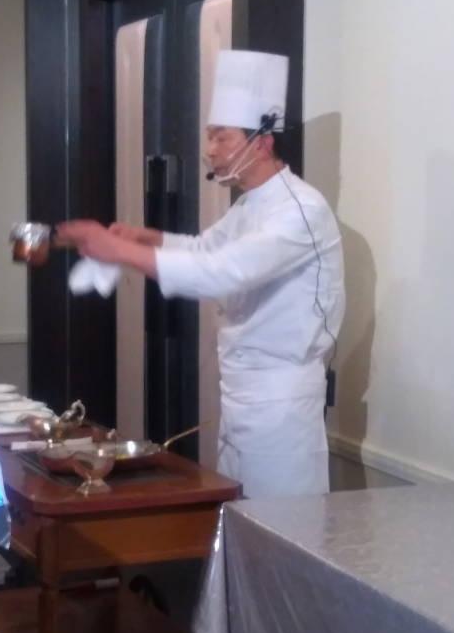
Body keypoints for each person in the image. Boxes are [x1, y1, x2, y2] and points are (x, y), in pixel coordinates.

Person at [59, 50, 344, 498]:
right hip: (241, 396)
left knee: (283, 526)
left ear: (262, 143)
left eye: (221, 137)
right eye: (209, 137)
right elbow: (205, 249)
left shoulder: (301, 210)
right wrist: (145, 238)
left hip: (281, 404)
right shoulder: (250, 205)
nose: (210, 150)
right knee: (240, 517)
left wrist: (117, 250)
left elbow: (221, 272)